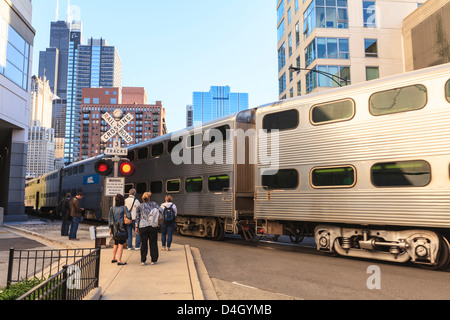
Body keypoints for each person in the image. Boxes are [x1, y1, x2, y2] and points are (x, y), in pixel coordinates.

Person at [135, 192, 163, 266]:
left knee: (143, 244)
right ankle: (153, 260)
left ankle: (143, 260)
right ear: (149, 198)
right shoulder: (154, 204)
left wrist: (136, 227)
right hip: (153, 226)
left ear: (143, 199)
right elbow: (161, 210)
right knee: (153, 243)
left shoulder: (139, 206)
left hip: (142, 226)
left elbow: (137, 217)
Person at [109, 194, 132, 266]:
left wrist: (110, 229)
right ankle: (119, 260)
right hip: (122, 227)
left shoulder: (112, 208)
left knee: (116, 243)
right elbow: (129, 216)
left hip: (114, 228)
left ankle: (113, 258)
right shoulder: (124, 208)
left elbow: (110, 219)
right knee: (121, 244)